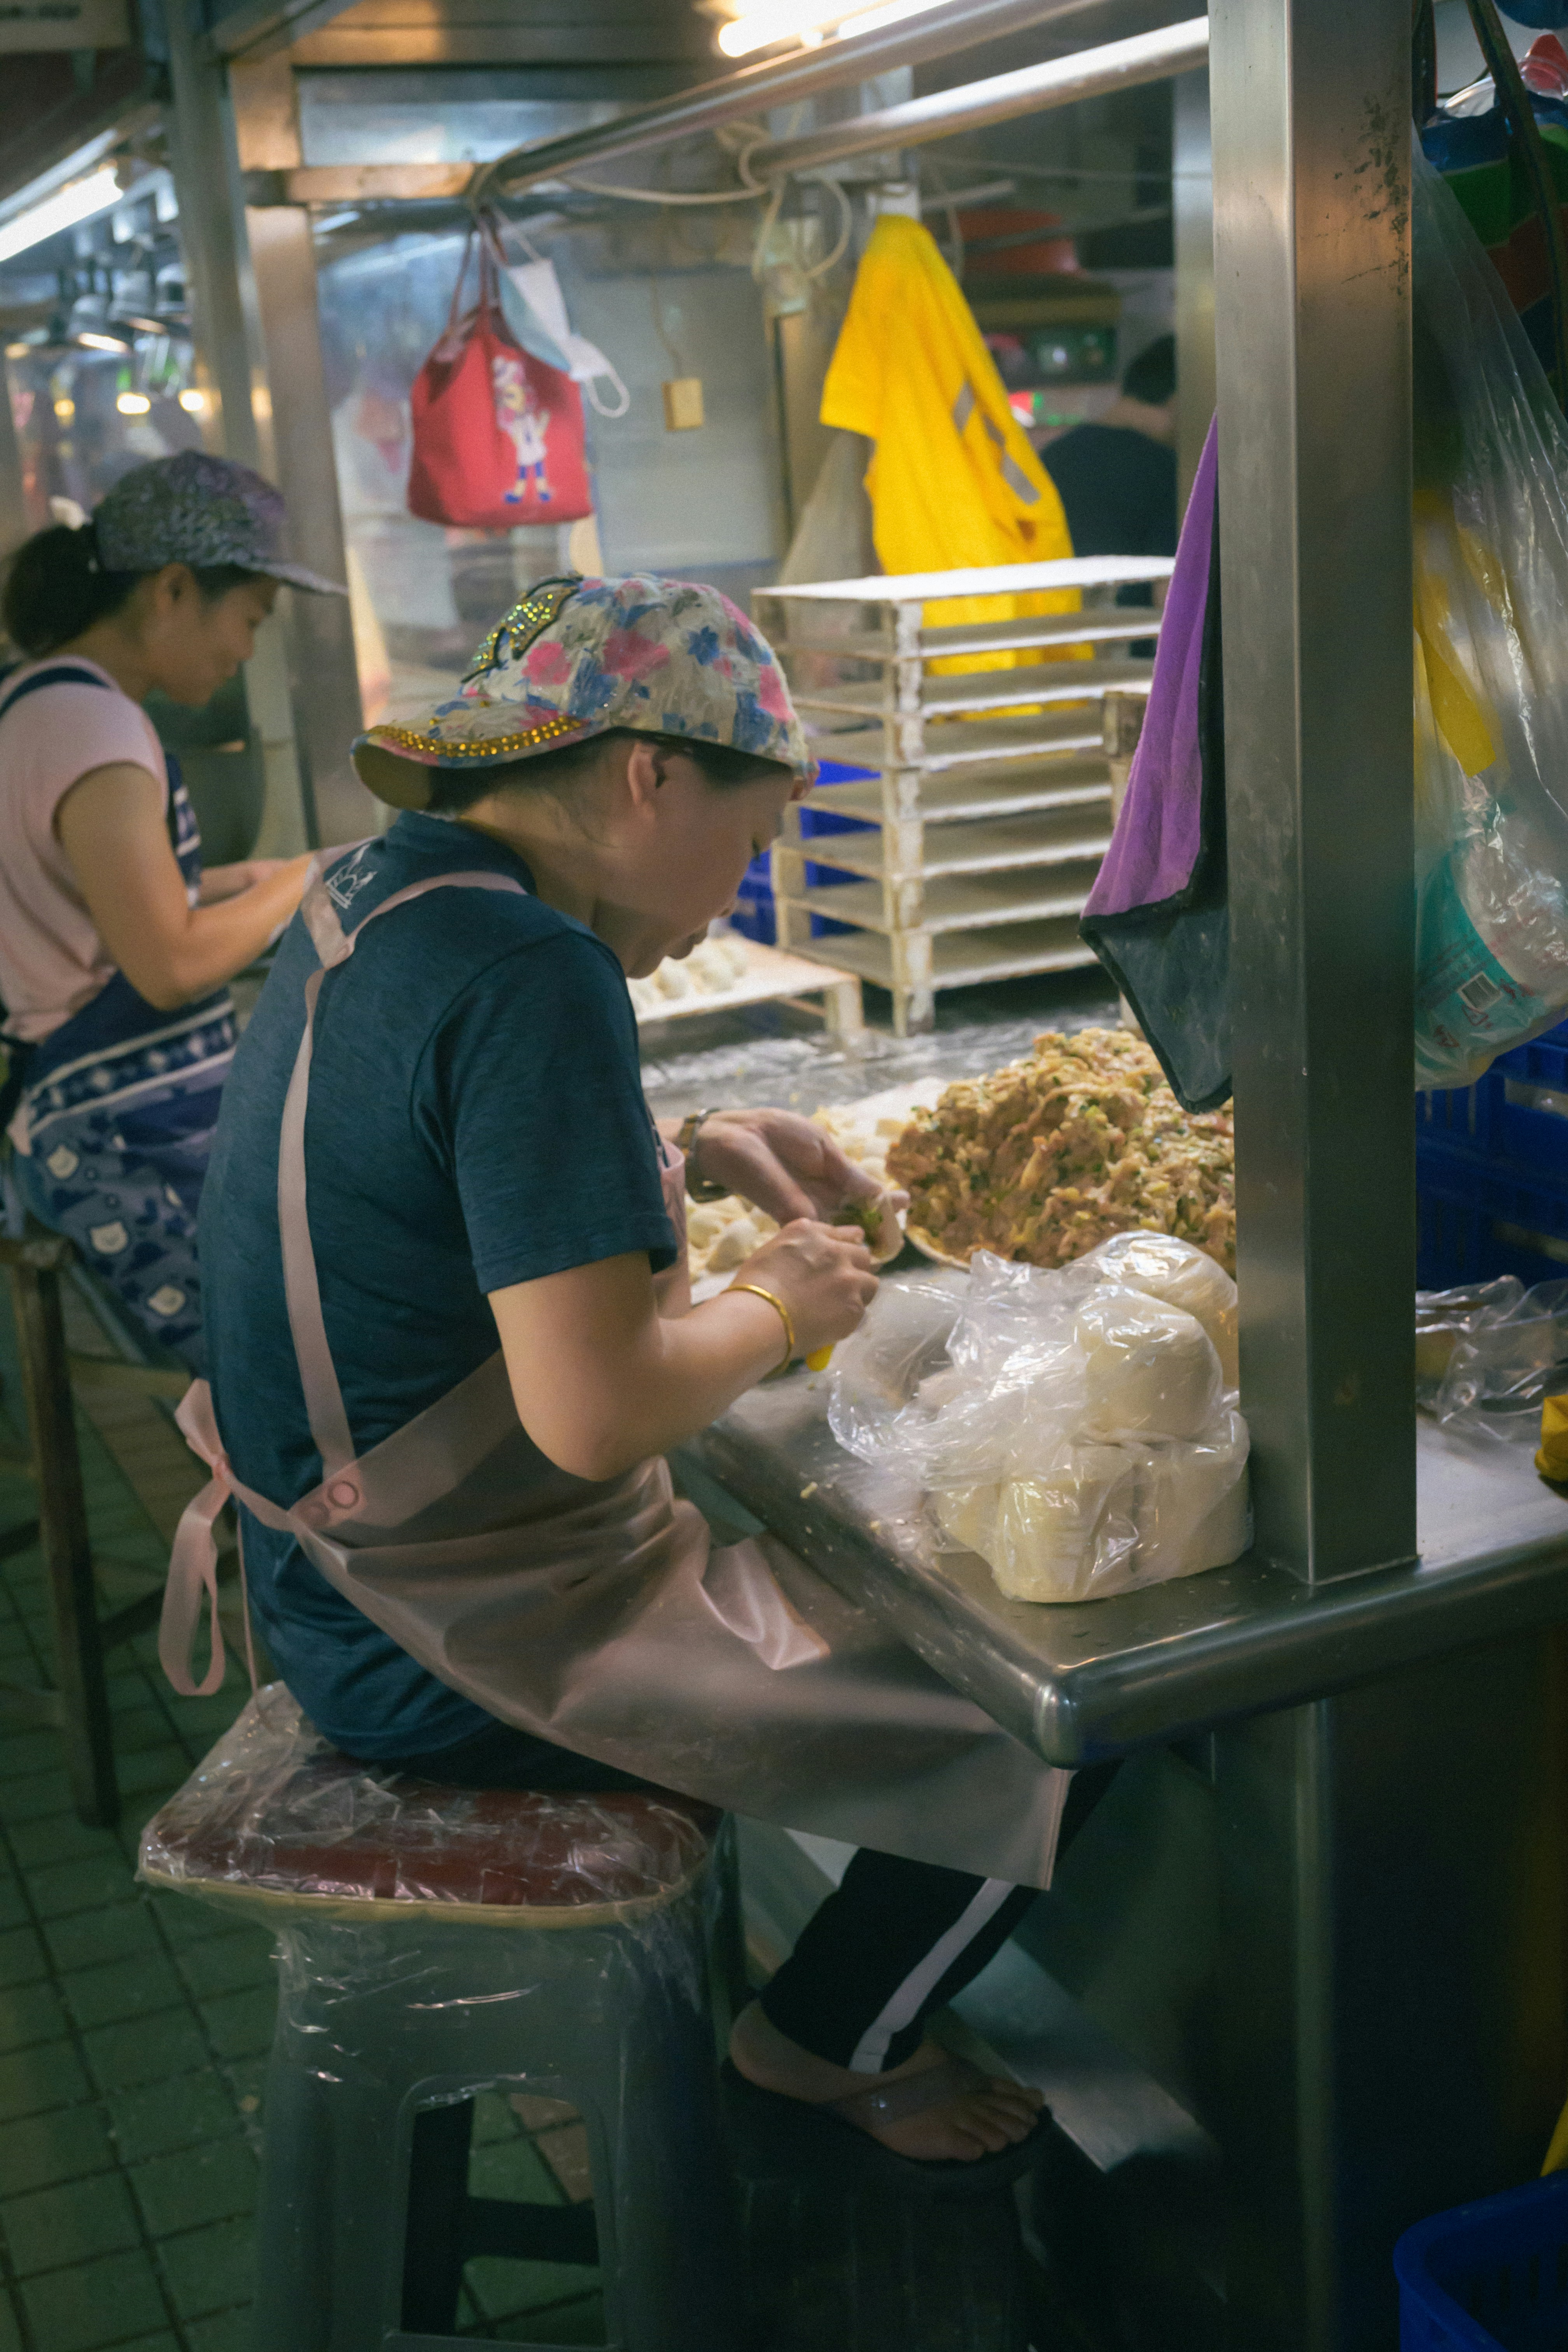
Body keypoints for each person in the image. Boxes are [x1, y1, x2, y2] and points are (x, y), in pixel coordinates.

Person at [187, 572, 1112, 2172]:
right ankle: (817, 2042)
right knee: (1040, 1699)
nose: (737, 891)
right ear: (646, 775)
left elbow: (415, 1186)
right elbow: (595, 1409)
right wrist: (786, 1296)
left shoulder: (387, 897)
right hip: (450, 1644)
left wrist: (676, 1159)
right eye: (748, 843)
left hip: (323, 1574)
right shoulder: (534, 976)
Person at [0, 451, 344, 1368]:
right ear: (174, 589)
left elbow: (100, 906)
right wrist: (316, 874)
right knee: (269, 1382)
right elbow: (169, 962)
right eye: (249, 619)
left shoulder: (37, 705)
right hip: (119, 1132)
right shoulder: (94, 728)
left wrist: (254, 880)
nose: (245, 649)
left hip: (98, 1120)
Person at [1040, 332, 1179, 569]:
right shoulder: (1164, 469)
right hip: (1134, 606)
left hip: (1058, 603)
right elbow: (1168, 588)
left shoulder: (1052, 457)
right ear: (1177, 400)